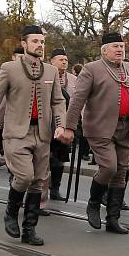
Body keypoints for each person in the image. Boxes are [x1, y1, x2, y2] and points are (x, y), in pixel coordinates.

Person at [0, 25, 69, 246]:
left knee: (38, 182)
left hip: (43, 133)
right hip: (17, 133)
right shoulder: (9, 69)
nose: (40, 45)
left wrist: (60, 125)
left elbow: (58, 101)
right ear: (25, 43)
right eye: (35, 41)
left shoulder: (51, 71)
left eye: (42, 42)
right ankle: (10, 211)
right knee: (25, 176)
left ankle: (29, 229)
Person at [62, 33, 129, 234]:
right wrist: (69, 127)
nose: (120, 49)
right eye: (115, 46)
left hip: (127, 128)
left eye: (122, 46)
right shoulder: (91, 69)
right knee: (109, 167)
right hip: (100, 128)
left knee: (121, 172)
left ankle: (113, 218)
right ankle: (93, 203)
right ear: (104, 50)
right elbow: (77, 100)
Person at [41, 48, 75, 208]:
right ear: (51, 61)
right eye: (60, 59)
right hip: (47, 123)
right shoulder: (44, 75)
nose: (64, 62)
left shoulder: (74, 80)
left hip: (66, 125)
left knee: (59, 159)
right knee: (46, 158)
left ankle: (55, 188)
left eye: (66, 59)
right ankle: (40, 191)